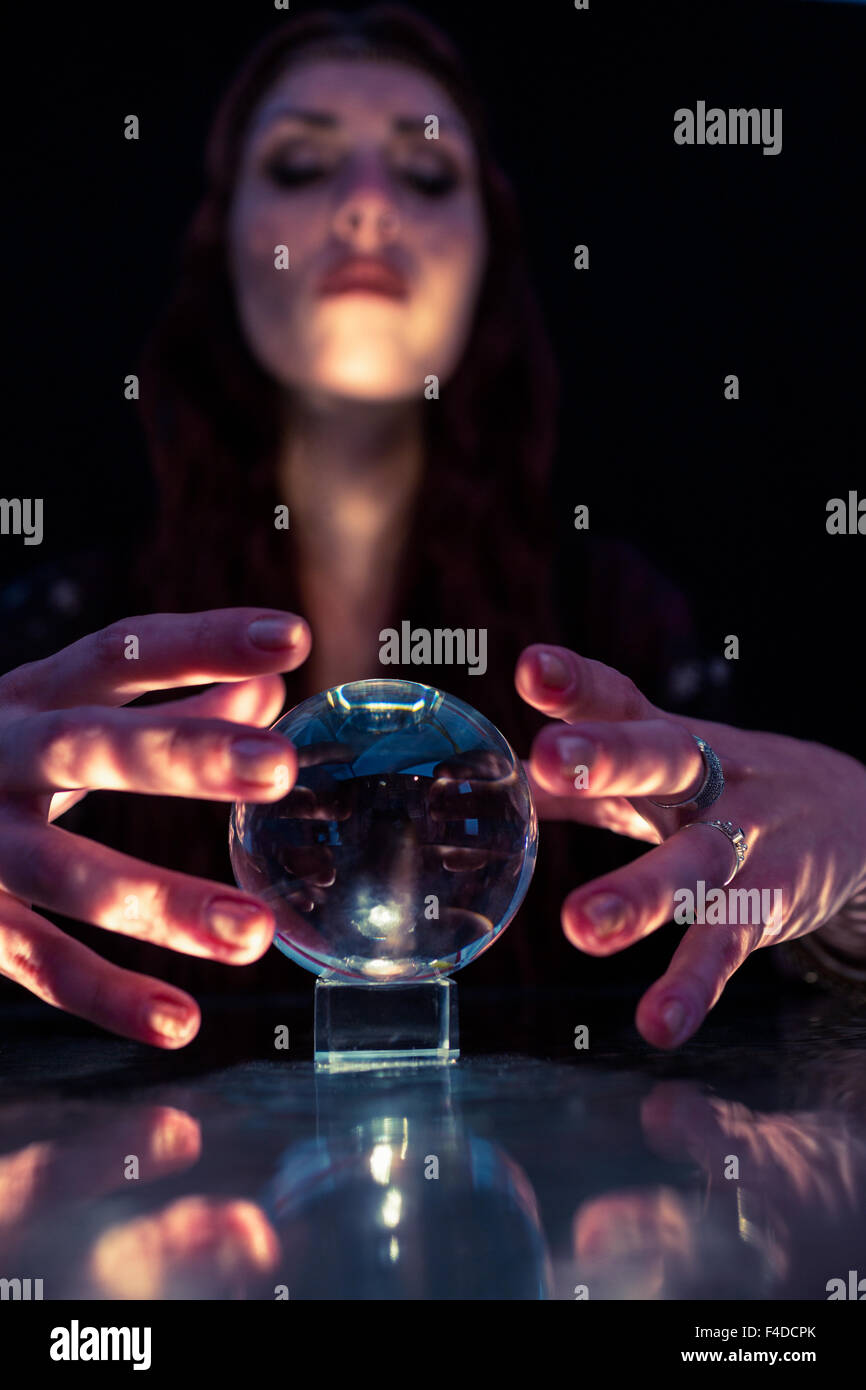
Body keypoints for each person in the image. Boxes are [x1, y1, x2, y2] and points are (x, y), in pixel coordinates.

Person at [1, 7, 864, 1054]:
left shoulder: (616, 630)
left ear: (487, 258)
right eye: (302, 164)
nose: (365, 207)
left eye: (422, 176)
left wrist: (858, 870)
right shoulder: (70, 640)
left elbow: (771, 924)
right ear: (220, 243)